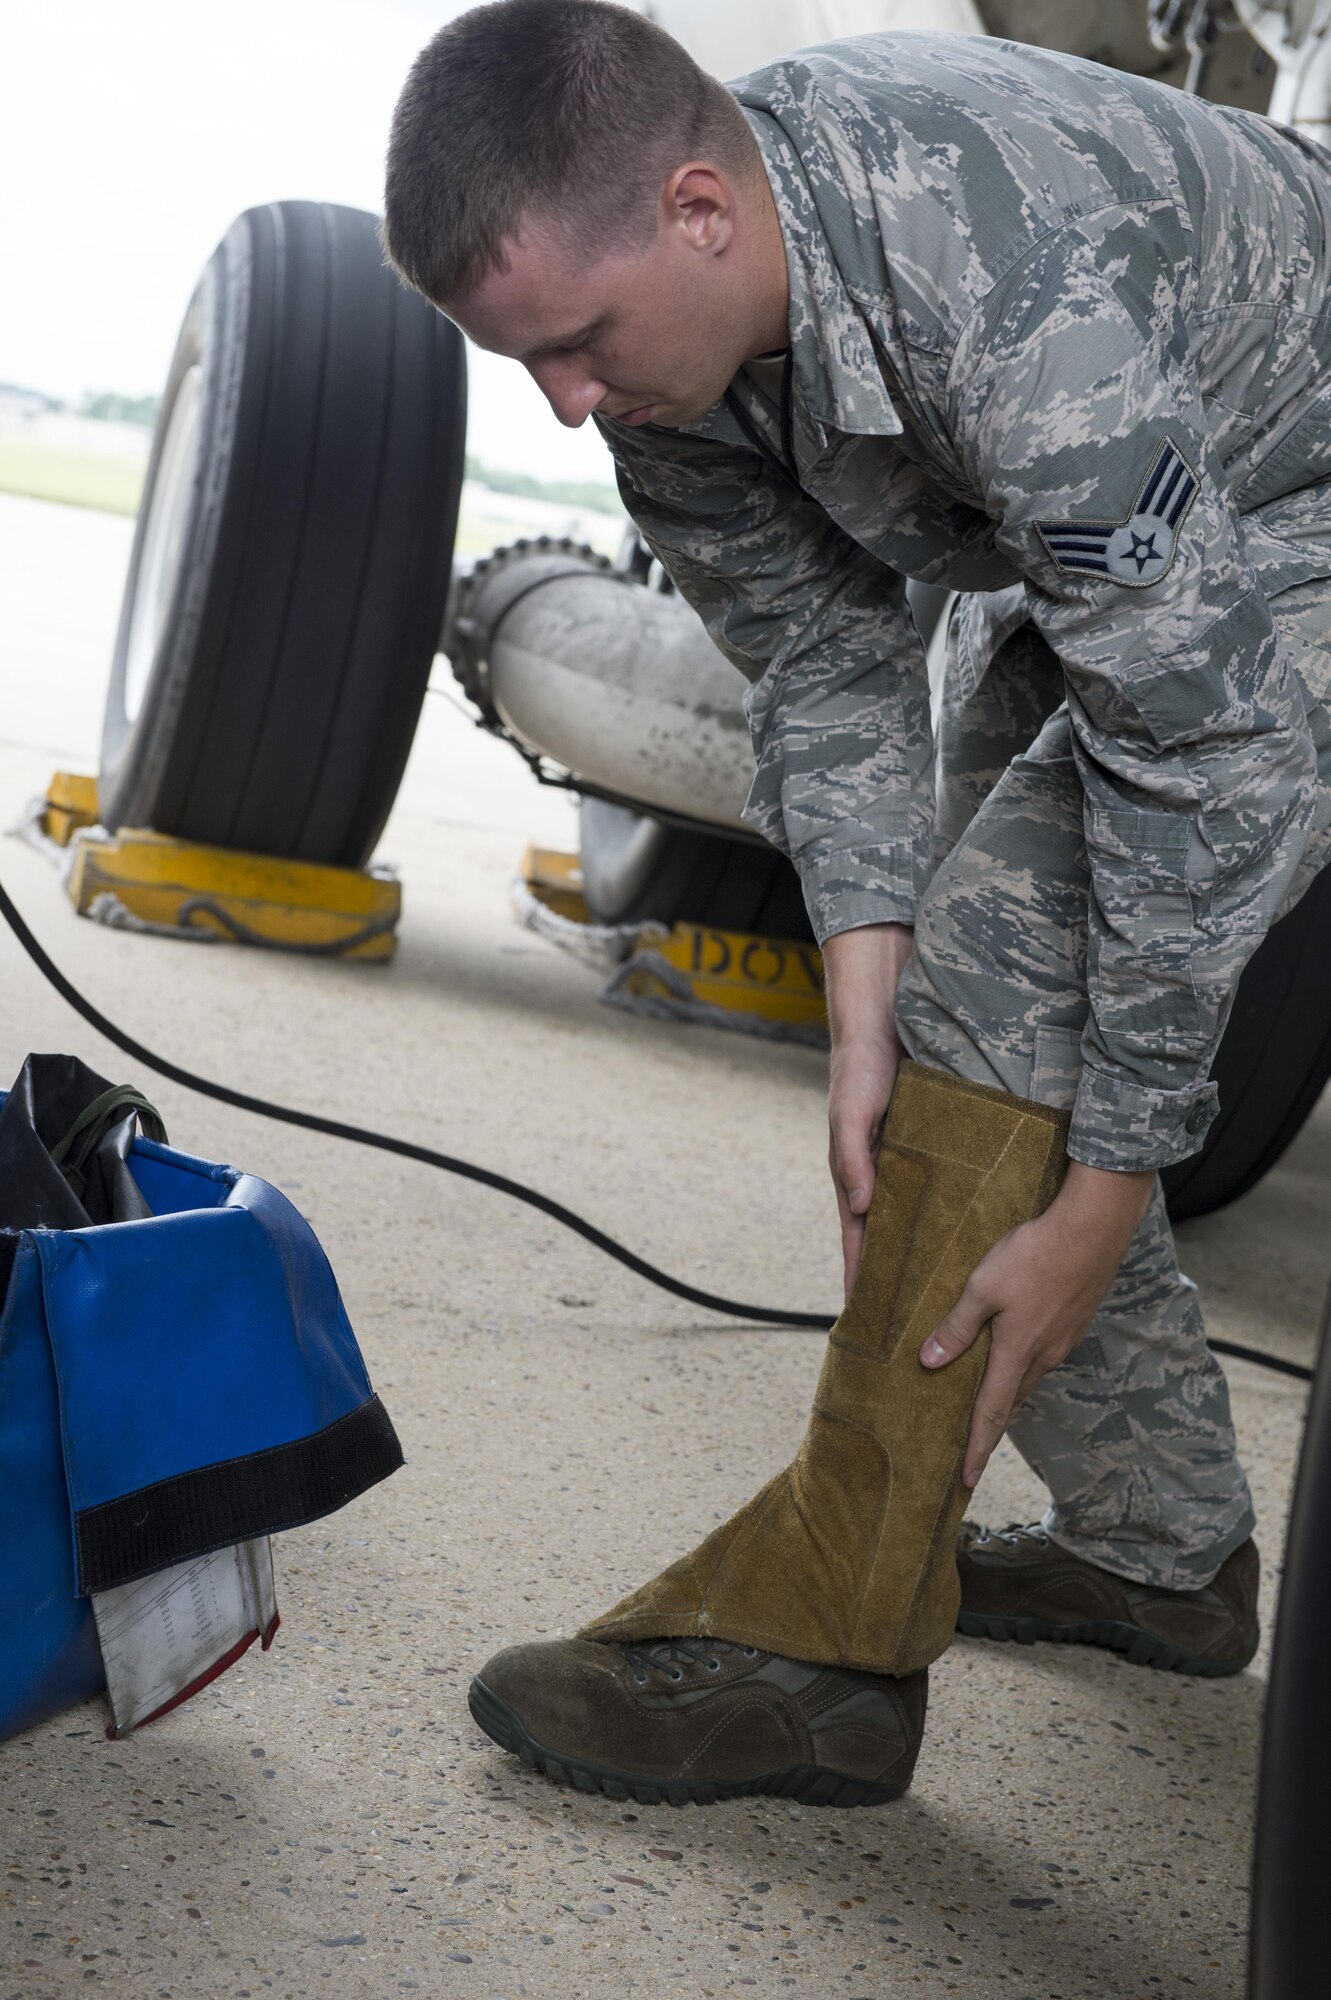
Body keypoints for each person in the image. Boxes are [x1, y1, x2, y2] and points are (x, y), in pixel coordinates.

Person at [383, 0, 1331, 1807]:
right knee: (949, 1051)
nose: (565, 404)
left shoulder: (995, 286)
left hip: (1312, 486)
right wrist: (860, 1017)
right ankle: (1162, 1552)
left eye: (576, 343)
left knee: (1023, 986)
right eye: (527, 366)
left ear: (697, 210)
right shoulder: (670, 364)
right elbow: (825, 667)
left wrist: (1112, 1175)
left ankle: (826, 1642)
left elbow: (1209, 765)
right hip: (1128, 507)